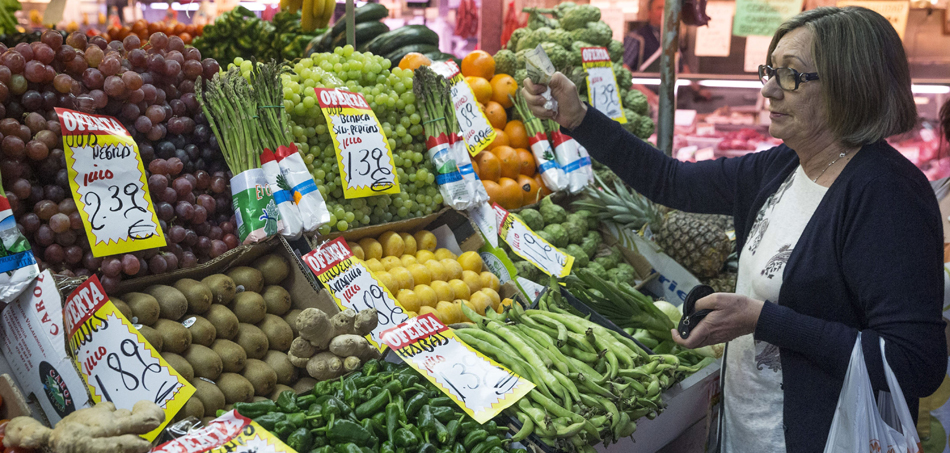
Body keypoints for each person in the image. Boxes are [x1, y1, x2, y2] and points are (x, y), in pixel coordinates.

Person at [523, 6, 946, 452]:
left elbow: (914, 362)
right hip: (747, 430)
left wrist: (764, 320)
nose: (767, 89)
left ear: (850, 85)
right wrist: (578, 118)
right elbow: (670, 181)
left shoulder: (887, 194)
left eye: (791, 75)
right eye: (770, 70)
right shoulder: (783, 166)